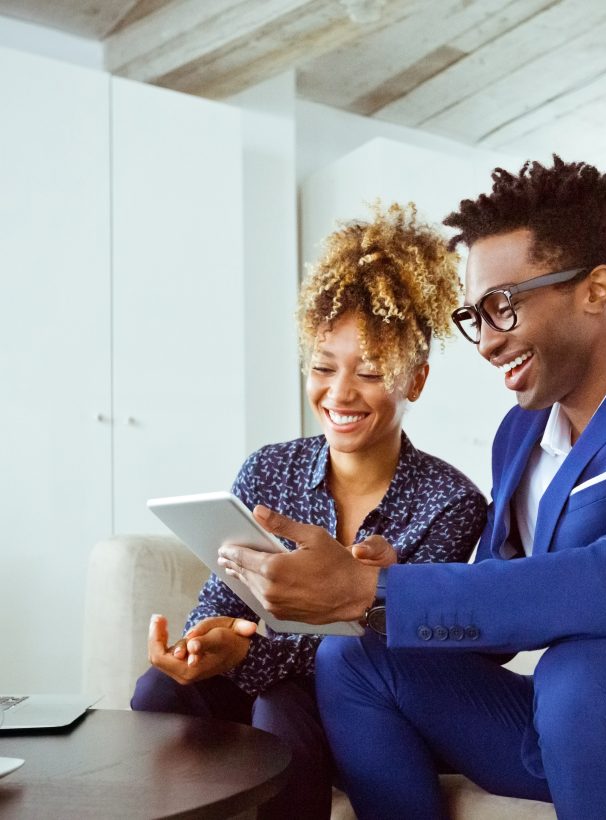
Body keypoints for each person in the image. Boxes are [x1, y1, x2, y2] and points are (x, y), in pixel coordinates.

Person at [219, 157, 606, 819]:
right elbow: (497, 625)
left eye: (503, 308)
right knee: (357, 659)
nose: (487, 342)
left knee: (583, 672)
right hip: (572, 721)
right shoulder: (519, 434)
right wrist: (373, 596)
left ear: (595, 290)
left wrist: (375, 589)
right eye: (475, 317)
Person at [131, 203, 487, 820]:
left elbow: (397, 656)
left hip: (362, 706)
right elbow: (226, 597)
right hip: (258, 677)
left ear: (417, 380)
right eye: (323, 367)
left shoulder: (449, 502)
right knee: (158, 689)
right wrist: (204, 640)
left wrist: (258, 652)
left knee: (281, 711)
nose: (340, 393)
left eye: (371, 372)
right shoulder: (268, 468)